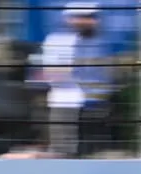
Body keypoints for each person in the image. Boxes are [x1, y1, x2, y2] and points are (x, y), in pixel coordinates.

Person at [40, 2, 113, 157]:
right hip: (67, 103)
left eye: (92, 17)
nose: (90, 21)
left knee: (94, 151)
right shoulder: (58, 41)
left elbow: (104, 74)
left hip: (96, 104)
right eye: (84, 17)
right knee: (65, 151)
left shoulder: (100, 42)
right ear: (70, 19)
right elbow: (53, 74)